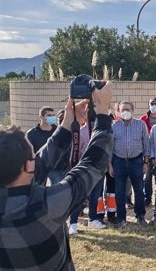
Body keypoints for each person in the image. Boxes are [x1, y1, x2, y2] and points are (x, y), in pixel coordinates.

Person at [0, 82, 113, 271]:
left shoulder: (14, 181)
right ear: (28, 165)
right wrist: (102, 114)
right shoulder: (45, 205)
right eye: (32, 155)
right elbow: (92, 164)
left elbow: (42, 162)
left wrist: (67, 124)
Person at [111, 101, 150, 228]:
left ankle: (140, 216)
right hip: (119, 161)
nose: (125, 112)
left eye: (127, 109)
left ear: (132, 110)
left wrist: (146, 162)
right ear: (119, 111)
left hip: (136, 161)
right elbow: (110, 147)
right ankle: (121, 218)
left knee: (139, 190)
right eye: (122, 110)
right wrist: (109, 165)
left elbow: (146, 145)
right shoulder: (114, 126)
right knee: (120, 192)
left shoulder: (140, 124)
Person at [26, 106, 63, 184]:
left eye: (53, 115)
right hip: (39, 167)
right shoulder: (32, 134)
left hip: (55, 167)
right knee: (38, 190)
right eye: (49, 115)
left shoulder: (58, 132)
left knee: (57, 191)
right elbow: (28, 152)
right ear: (41, 117)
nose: (52, 117)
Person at [140, 96, 156, 207]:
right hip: (147, 152)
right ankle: (147, 198)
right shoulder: (143, 119)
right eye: (152, 103)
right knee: (147, 177)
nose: (154, 105)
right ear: (148, 105)